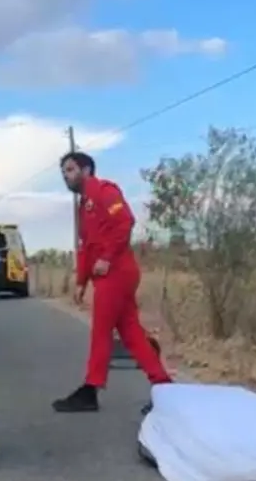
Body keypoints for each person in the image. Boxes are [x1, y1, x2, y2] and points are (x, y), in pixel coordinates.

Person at [52, 152, 172, 413]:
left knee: (101, 331)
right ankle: (164, 386)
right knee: (131, 333)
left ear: (86, 170)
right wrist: (81, 281)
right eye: (63, 171)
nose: (66, 175)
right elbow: (85, 247)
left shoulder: (105, 191)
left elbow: (125, 221)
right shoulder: (84, 206)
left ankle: (90, 389)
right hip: (105, 276)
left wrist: (107, 257)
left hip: (117, 272)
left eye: (70, 170)